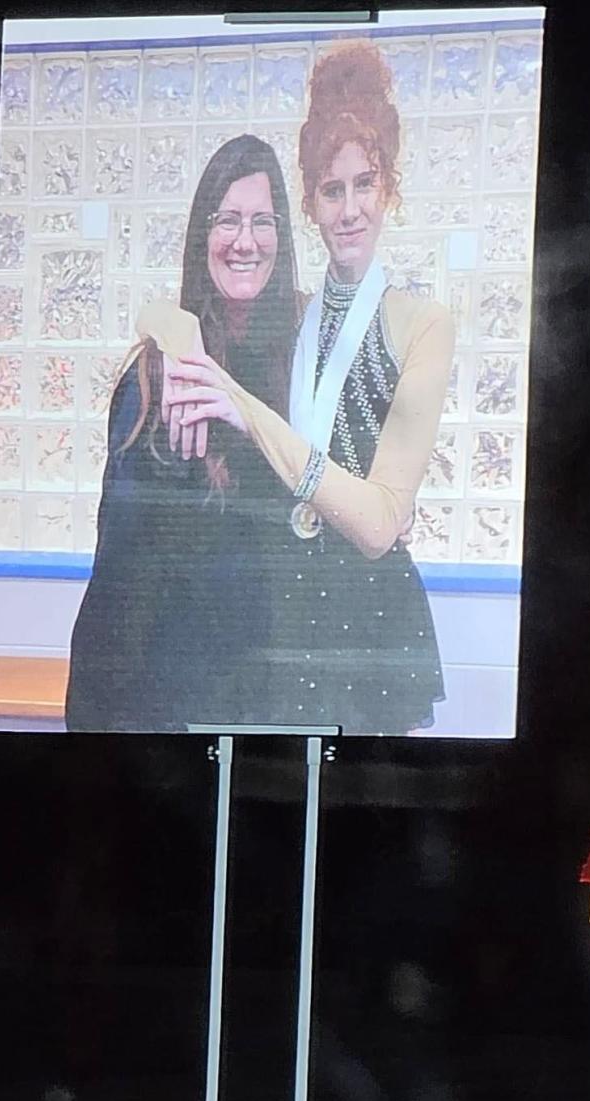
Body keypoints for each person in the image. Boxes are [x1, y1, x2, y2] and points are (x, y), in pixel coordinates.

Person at [149, 40, 454, 735]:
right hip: (281, 610)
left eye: (365, 183)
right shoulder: (291, 317)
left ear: (390, 189)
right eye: (331, 188)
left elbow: (379, 526)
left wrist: (241, 406)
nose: (349, 209)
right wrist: (171, 346)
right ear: (309, 203)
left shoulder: (423, 325)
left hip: (367, 613)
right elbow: (183, 310)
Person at [65, 135, 302, 731]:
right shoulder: (157, 379)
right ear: (203, 236)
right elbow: (120, 579)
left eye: (261, 221)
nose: (244, 240)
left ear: (283, 236)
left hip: (279, 706)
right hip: (172, 713)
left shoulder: (305, 369)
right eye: (227, 220)